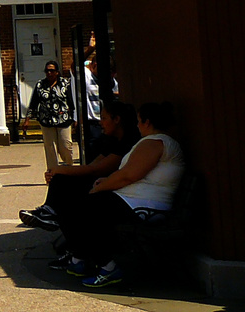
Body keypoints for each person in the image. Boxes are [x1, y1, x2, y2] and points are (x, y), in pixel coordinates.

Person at [57, 102, 185, 288]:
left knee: (83, 208)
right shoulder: (153, 142)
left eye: (139, 121)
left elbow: (128, 175)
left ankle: (105, 267)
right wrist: (104, 183)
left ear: (147, 122)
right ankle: (82, 258)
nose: (137, 125)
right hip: (134, 201)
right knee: (80, 206)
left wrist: (100, 188)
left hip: (144, 206)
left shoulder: (155, 142)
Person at [21, 100, 139, 232]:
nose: (101, 122)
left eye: (104, 118)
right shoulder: (113, 141)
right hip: (103, 182)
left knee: (71, 193)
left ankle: (53, 216)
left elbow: (97, 170)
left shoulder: (128, 142)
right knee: (61, 178)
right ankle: (49, 212)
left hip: (114, 189)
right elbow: (93, 165)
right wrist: (59, 171)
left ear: (116, 119)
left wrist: (60, 169)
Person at [24, 61, 75, 171]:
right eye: (47, 70)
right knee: (50, 148)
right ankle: (52, 173)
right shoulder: (40, 85)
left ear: (57, 72)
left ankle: (69, 168)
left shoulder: (65, 84)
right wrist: (27, 119)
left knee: (66, 146)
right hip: (46, 120)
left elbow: (71, 102)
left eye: (52, 70)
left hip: (63, 119)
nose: (49, 73)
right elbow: (33, 103)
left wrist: (75, 118)